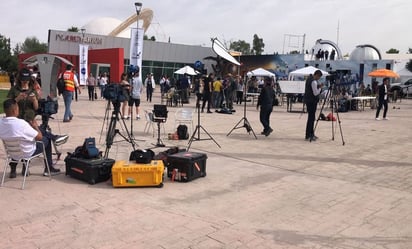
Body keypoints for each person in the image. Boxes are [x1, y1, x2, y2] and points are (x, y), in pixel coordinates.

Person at [0, 99, 61, 178]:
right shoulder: (21, 124)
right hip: (26, 152)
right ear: (14, 110)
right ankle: (48, 168)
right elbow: (39, 137)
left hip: (11, 153)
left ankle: (19, 168)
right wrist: (35, 127)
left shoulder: (1, 122)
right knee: (46, 140)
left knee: (22, 140)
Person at [7, 68, 69, 143]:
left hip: (30, 118)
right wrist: (17, 99)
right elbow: (8, 105)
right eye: (23, 80)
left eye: (26, 80)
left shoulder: (32, 90)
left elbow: (36, 108)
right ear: (19, 79)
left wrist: (34, 100)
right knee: (41, 134)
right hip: (19, 119)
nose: (25, 82)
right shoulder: (14, 90)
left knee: (40, 132)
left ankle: (54, 138)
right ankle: (54, 137)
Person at [304, 69, 323, 141]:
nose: (319, 79)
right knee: (311, 118)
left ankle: (311, 133)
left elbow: (312, 89)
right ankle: (309, 134)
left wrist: (318, 86)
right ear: (317, 75)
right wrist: (320, 89)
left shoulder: (309, 79)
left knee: (311, 118)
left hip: (308, 101)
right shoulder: (313, 82)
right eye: (319, 77)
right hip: (312, 101)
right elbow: (315, 93)